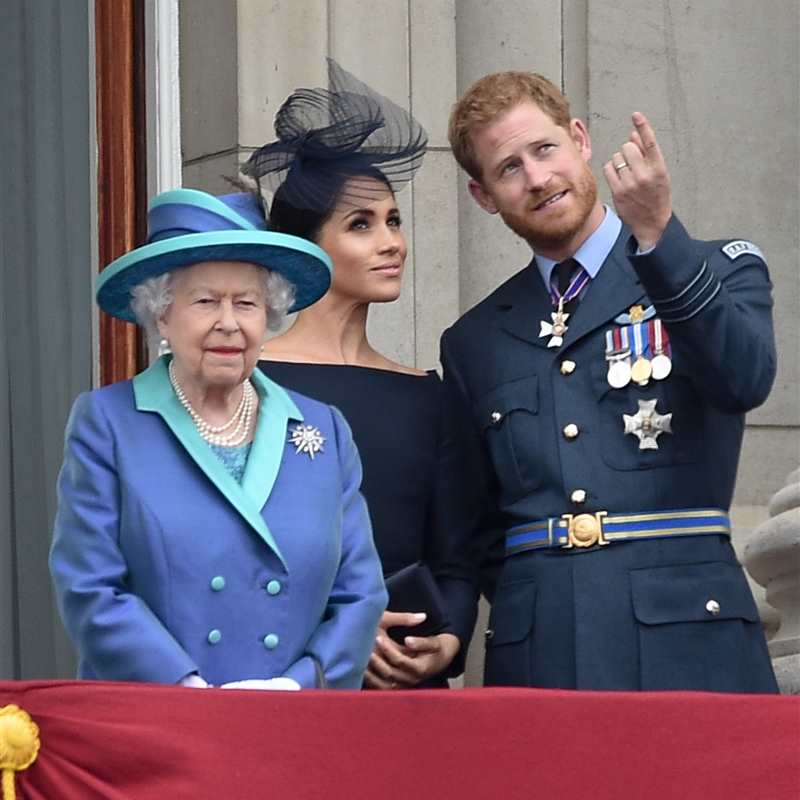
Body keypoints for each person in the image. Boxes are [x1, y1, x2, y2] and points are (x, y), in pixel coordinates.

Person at [440, 70, 778, 692]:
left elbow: (744, 380)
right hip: (540, 652)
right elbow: (477, 523)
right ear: (484, 196)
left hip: (689, 643)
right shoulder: (474, 340)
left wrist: (658, 237)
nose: (537, 178)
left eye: (544, 149)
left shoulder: (713, 267)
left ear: (579, 139)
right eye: (508, 168)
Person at [49, 187, 387, 690]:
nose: (228, 323)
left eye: (247, 303)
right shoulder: (108, 423)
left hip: (293, 722)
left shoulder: (325, 431)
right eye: (206, 301)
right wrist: (186, 688)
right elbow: (91, 587)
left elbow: (360, 594)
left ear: (267, 316)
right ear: (162, 313)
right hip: (162, 720)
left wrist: (297, 686)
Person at [243, 60, 477, 689]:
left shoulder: (429, 395)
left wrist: (449, 640)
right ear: (306, 249)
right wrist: (337, 633)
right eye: (361, 225)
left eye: (394, 221)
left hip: (410, 700)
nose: (392, 242)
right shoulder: (245, 383)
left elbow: (457, 559)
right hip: (285, 688)